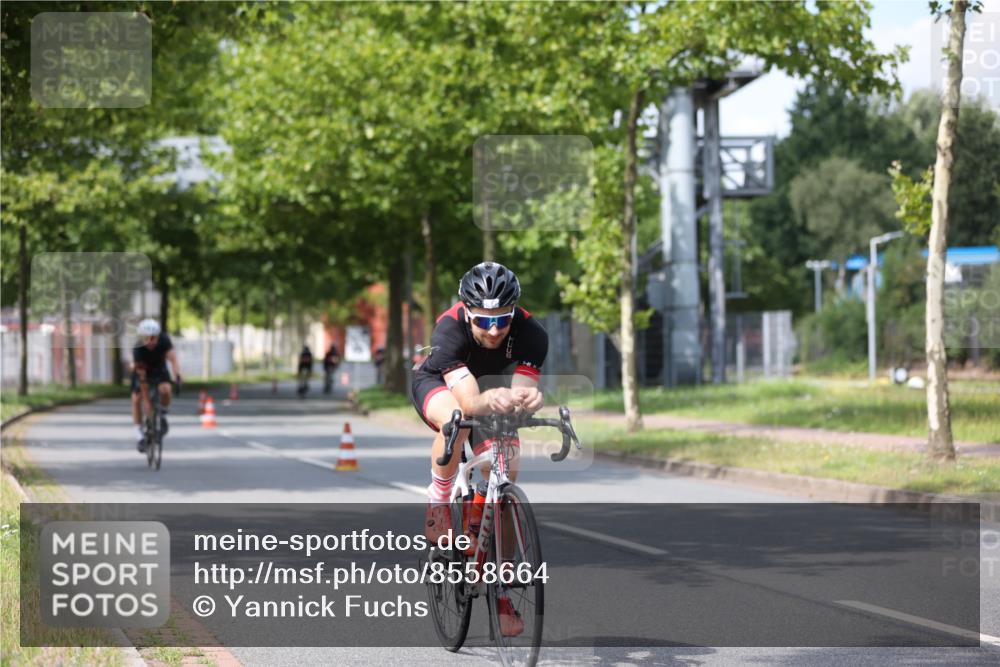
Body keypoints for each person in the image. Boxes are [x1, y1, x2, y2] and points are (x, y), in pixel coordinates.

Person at [410, 261, 546, 637]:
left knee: (507, 474)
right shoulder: (449, 328)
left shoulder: (531, 333)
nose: (495, 329)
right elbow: (469, 401)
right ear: (467, 312)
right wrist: (494, 397)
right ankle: (439, 501)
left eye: (502, 319)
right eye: (484, 321)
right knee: (455, 418)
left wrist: (526, 397)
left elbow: (521, 385)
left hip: (491, 391)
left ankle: (500, 590)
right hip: (441, 385)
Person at [131, 319, 180, 452]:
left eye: (154, 338)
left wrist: (177, 376)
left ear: (159, 336)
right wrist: (146, 401)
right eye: (147, 338)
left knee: (166, 390)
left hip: (159, 368)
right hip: (143, 370)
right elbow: (142, 380)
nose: (151, 341)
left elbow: (173, 359)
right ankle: (139, 434)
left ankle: (162, 414)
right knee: (137, 399)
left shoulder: (164, 341)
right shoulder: (138, 348)